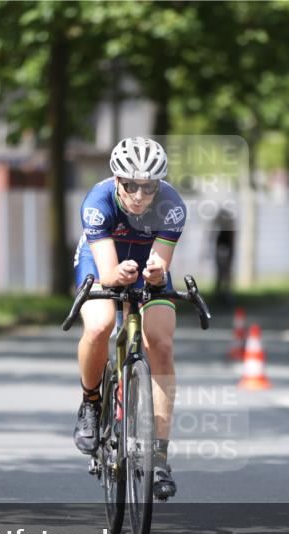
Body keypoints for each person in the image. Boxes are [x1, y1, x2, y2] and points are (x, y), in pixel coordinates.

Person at [72, 137, 185, 500]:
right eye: (131, 185)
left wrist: (156, 274)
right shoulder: (98, 203)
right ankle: (91, 403)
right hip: (102, 260)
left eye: (148, 187)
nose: (139, 195)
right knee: (100, 324)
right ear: (117, 180)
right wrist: (117, 276)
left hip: (145, 262)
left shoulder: (172, 206)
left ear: (158, 186)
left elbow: (160, 266)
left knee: (161, 343)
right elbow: (108, 273)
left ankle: (159, 458)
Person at [212, 206, 236, 306]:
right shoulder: (224, 226)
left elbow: (232, 240)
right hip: (223, 249)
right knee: (221, 273)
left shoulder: (228, 226)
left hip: (225, 249)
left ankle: (225, 295)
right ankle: (220, 294)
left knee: (225, 274)